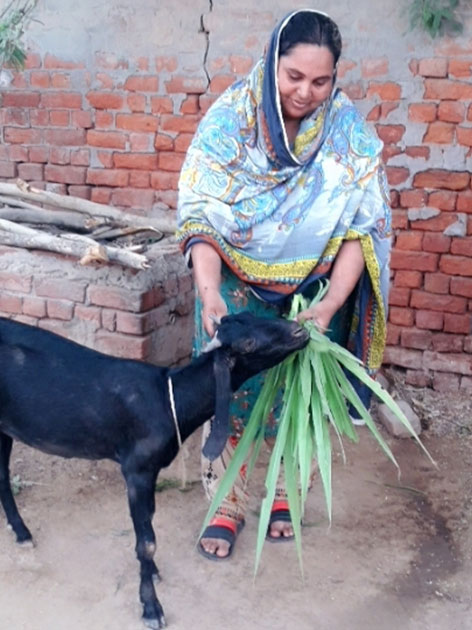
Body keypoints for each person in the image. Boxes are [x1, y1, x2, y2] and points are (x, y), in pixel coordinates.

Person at [176, 8, 391, 560]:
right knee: (234, 391)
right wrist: (208, 295)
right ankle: (227, 500)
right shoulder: (230, 123)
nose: (305, 92)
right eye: (294, 77)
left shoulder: (347, 133)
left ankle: (284, 495)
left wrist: (332, 305)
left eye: (321, 81)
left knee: (300, 394)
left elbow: (360, 231)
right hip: (236, 286)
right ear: (273, 63)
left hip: (316, 291)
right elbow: (201, 217)